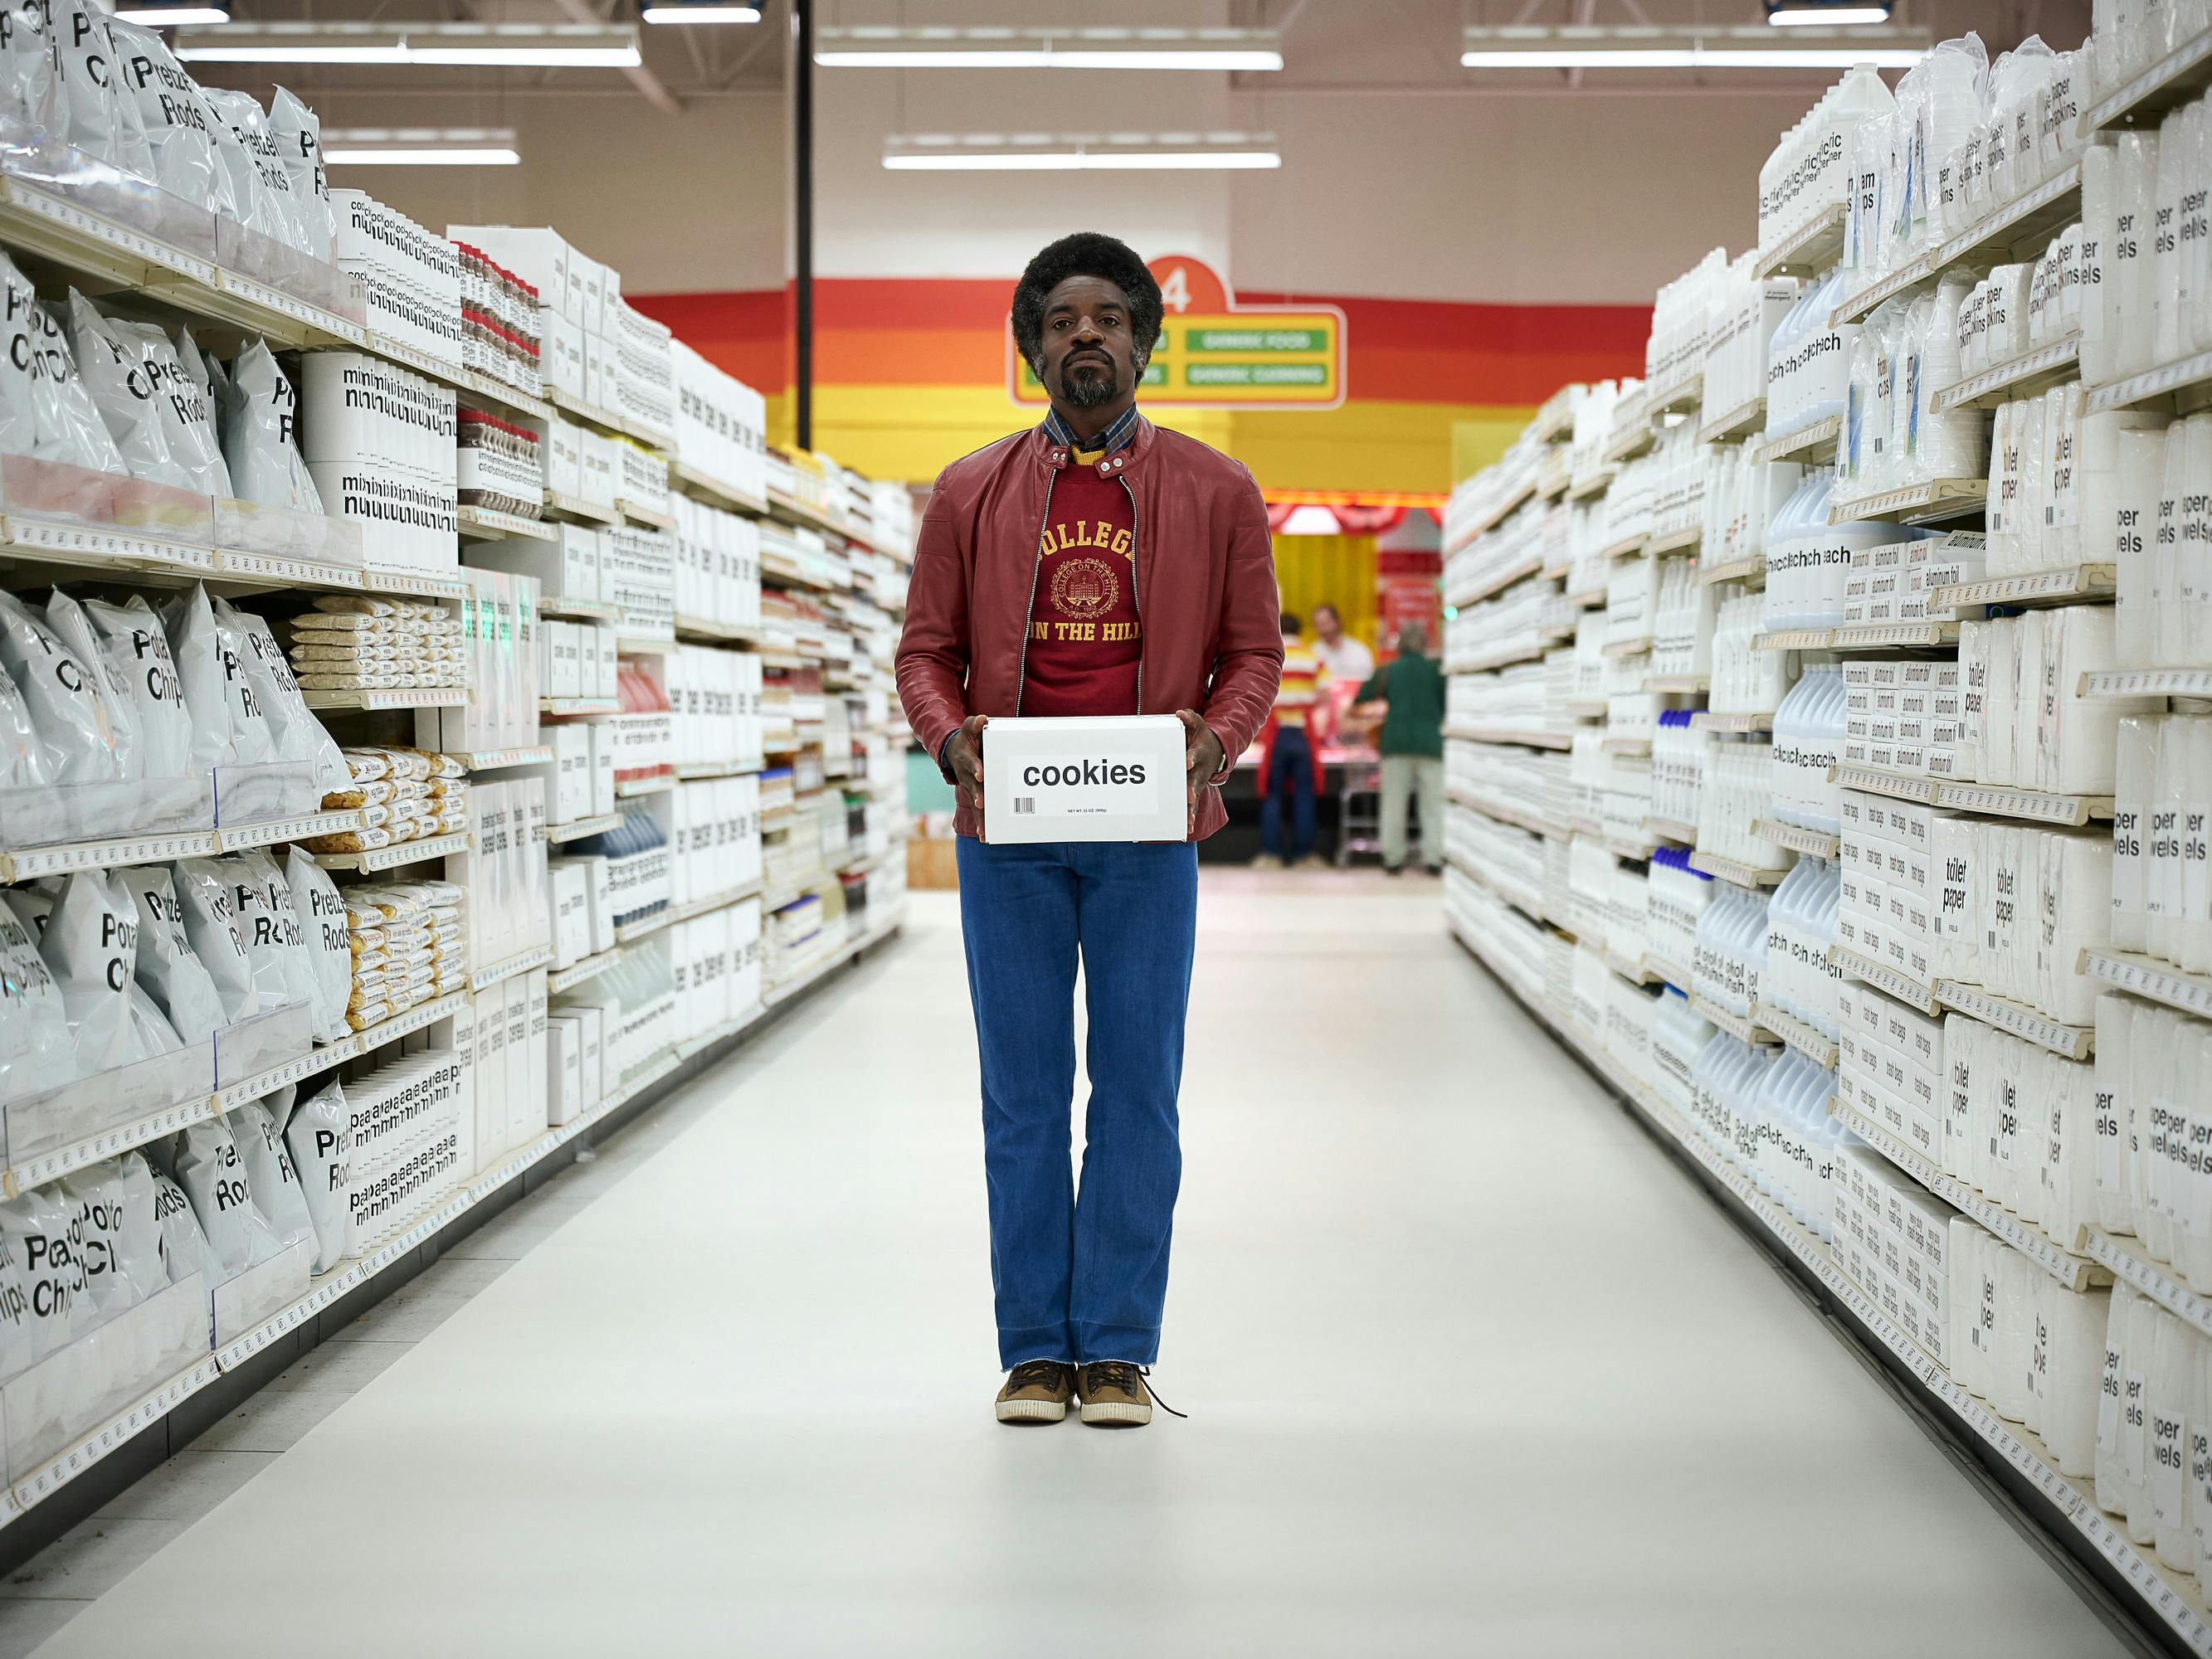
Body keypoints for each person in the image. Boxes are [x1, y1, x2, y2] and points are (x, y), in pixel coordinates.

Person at [895, 231, 1283, 1429]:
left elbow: (1253, 655)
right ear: (1030, 347)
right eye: (1060, 320)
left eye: (1109, 318)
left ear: (1144, 342)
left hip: (1146, 833)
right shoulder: (969, 491)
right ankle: (1031, 1351)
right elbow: (923, 654)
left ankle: (1113, 1348)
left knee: (1135, 1091)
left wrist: (1216, 741)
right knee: (1020, 1094)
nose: (1086, 338)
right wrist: (951, 740)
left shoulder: (1216, 492)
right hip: (1003, 832)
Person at [1357, 620, 1446, 875]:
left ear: (1399, 645)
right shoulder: (1436, 670)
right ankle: (1434, 857)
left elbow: (1361, 696)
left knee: (1394, 804)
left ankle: (1393, 859)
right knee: (1433, 805)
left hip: (1395, 744)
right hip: (1431, 743)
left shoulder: (1388, 671)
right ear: (1426, 643)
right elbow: (1447, 703)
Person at [1250, 613, 1326, 872]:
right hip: (1303, 732)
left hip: (1276, 731)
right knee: (1304, 794)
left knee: (1272, 795)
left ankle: (1271, 853)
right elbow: (1325, 695)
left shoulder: (1271, 658)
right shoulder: (1313, 658)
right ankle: (1304, 854)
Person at [1309, 602, 1374, 687]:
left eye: (1325, 623)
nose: (1323, 630)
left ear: (1337, 622)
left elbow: (1368, 681)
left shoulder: (1359, 651)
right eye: (1318, 625)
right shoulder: (1313, 652)